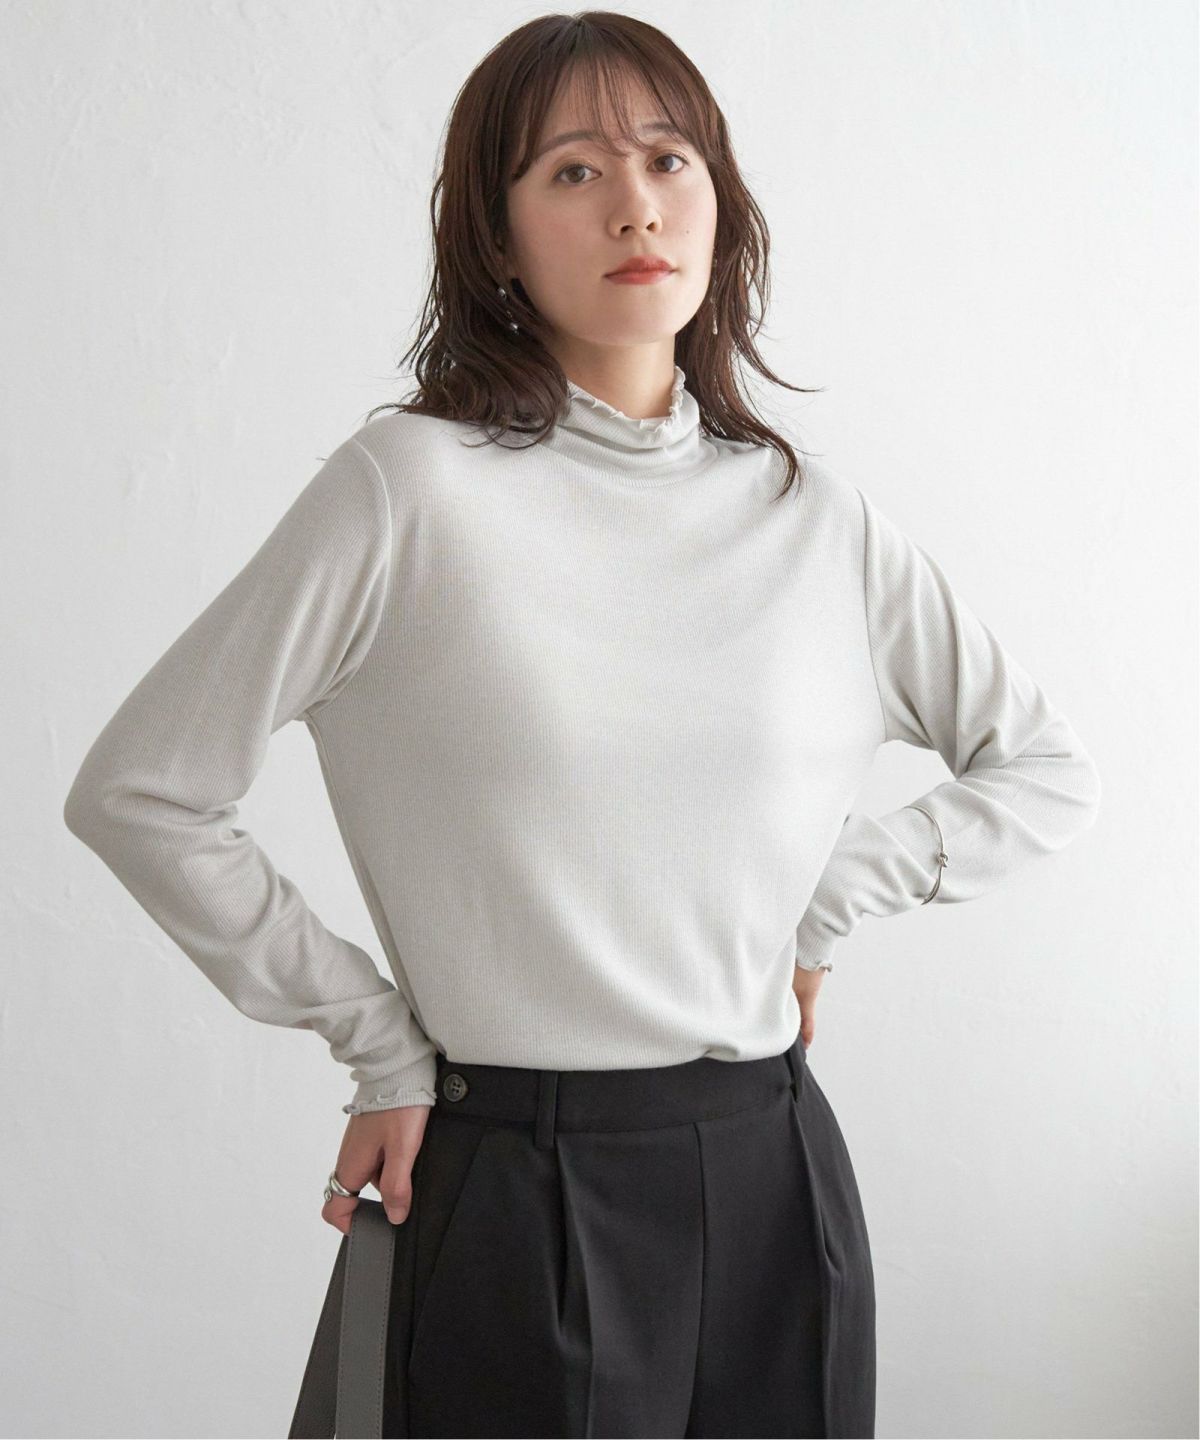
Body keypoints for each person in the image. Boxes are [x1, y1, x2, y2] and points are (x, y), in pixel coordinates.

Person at [62, 12, 1102, 1439]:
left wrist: (831, 898)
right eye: (572, 170)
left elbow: (1043, 770)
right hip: (515, 1179)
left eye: (669, 160)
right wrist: (374, 1039)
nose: (635, 206)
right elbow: (142, 789)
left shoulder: (816, 521)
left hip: (776, 1175)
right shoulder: (407, 493)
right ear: (495, 239)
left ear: (721, 202)